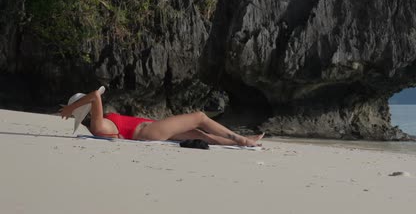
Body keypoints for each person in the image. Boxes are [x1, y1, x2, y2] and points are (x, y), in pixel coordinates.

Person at [59, 88, 263, 147]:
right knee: (200, 117)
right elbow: (95, 95)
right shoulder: (97, 125)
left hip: (151, 128)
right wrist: (70, 109)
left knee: (200, 135)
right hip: (149, 132)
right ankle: (243, 140)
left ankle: (242, 143)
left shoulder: (99, 124)